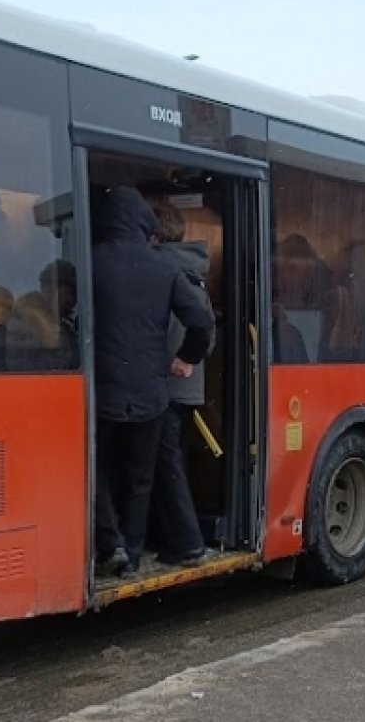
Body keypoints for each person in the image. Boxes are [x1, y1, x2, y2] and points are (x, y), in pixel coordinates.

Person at [91, 186, 215, 577]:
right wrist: (187, 358)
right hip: (151, 393)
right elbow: (201, 320)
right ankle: (131, 550)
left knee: (100, 470)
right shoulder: (164, 267)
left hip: (104, 390)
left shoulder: (91, 261)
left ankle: (109, 545)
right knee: (141, 477)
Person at [147, 197, 216, 568]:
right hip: (190, 391)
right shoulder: (195, 274)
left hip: (168, 387)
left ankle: (187, 543)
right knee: (175, 464)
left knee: (167, 467)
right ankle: (173, 538)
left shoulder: (164, 273)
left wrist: (179, 360)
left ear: (154, 235)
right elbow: (210, 336)